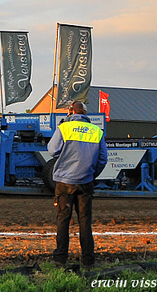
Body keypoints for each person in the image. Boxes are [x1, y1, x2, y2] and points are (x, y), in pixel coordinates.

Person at [47, 101, 108, 269]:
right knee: (85, 221)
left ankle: (60, 260)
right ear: (86, 114)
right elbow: (103, 159)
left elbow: (52, 150)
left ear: (71, 112)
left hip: (65, 183)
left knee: (63, 220)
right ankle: (88, 261)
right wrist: (92, 175)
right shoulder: (97, 131)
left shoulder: (64, 128)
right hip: (85, 183)